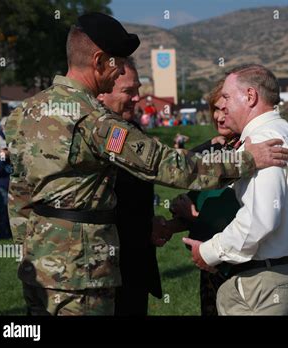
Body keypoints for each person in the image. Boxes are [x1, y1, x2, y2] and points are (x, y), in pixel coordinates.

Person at [5, 13, 288, 316]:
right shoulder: (95, 121)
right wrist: (247, 160)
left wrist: (29, 249)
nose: (119, 76)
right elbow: (167, 166)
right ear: (99, 61)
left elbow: (19, 194)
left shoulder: (24, 114)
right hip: (81, 270)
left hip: (37, 266)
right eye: (116, 65)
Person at [183, 64, 288, 315]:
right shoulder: (287, 132)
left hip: (258, 283)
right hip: (269, 276)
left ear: (250, 96)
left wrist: (208, 252)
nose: (221, 106)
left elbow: (260, 219)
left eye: (226, 96)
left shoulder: (262, 138)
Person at [155, 79, 242, 315]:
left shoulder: (247, 153)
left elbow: (238, 219)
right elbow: (197, 199)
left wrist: (195, 218)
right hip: (210, 266)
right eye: (215, 109)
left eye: (225, 109)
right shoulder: (214, 151)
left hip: (237, 269)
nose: (219, 117)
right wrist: (171, 224)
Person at [97, 57, 162, 315]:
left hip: (135, 262)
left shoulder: (130, 128)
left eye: (137, 90)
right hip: (110, 267)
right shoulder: (105, 132)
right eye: (128, 91)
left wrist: (149, 221)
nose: (137, 98)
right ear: (101, 94)